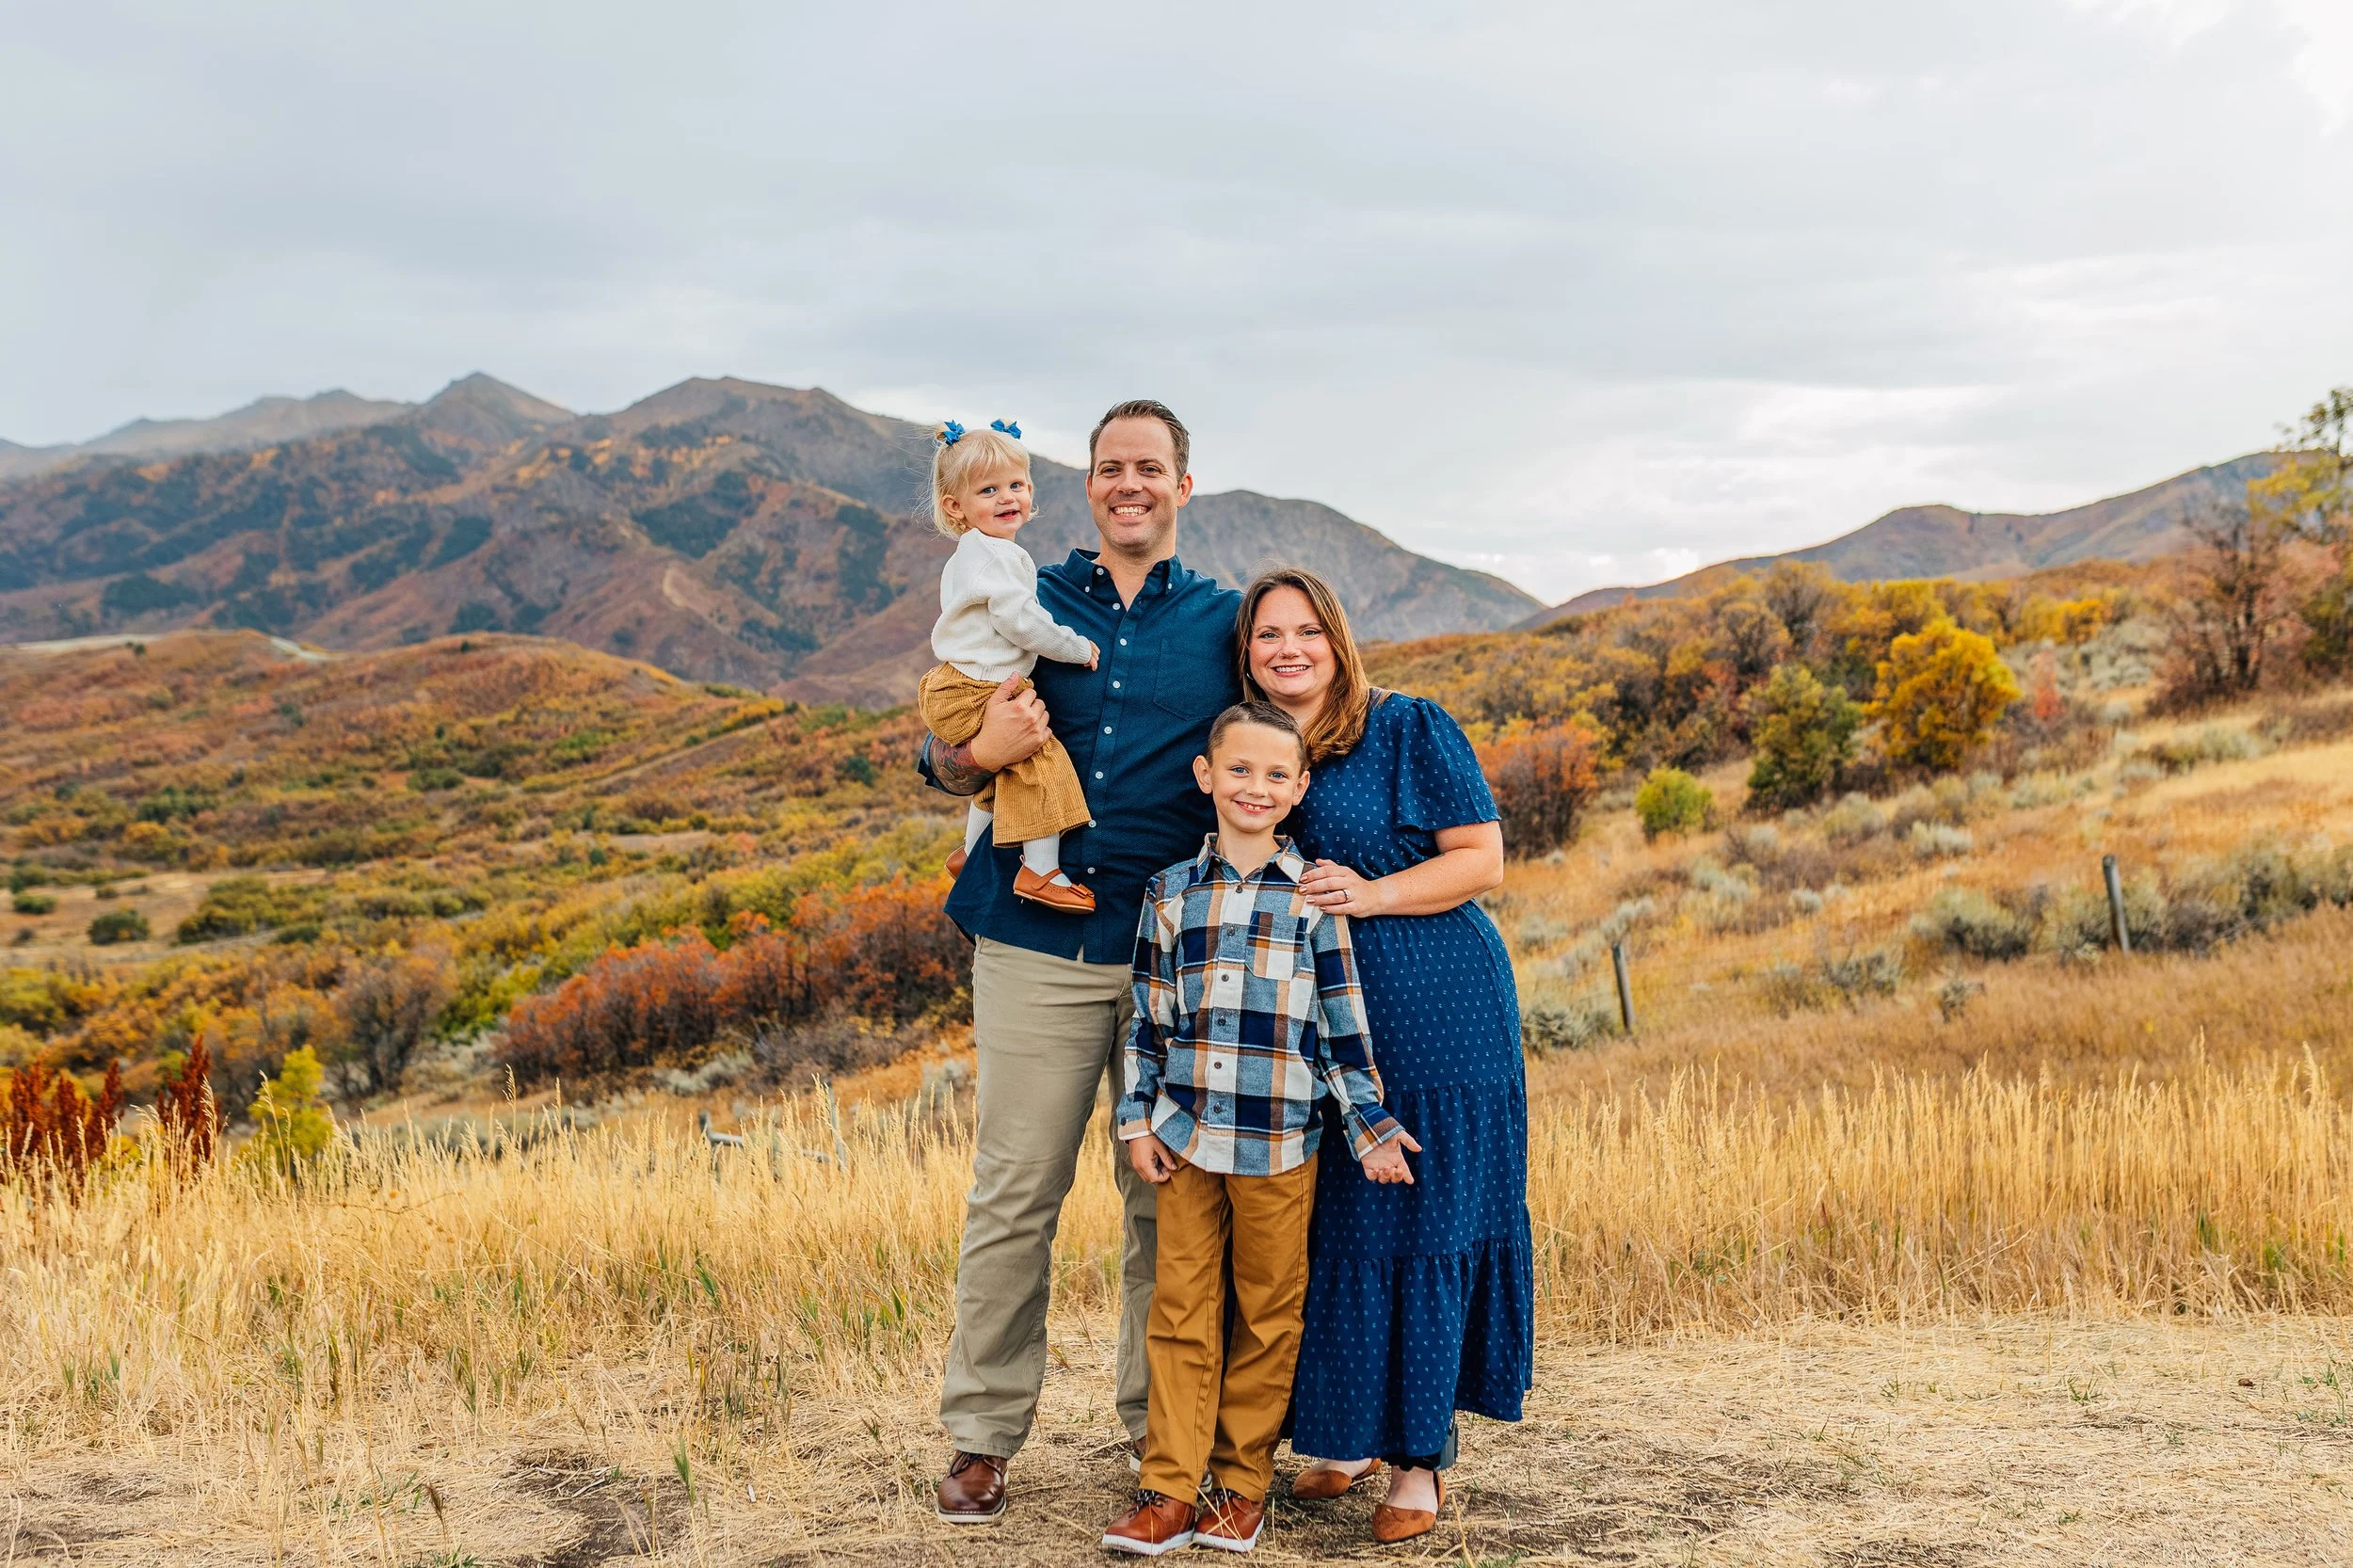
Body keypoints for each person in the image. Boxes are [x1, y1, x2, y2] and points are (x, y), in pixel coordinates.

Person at [921, 400, 1243, 1524]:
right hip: (1033, 938)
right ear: (1090, 484)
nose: (1129, 485)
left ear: (1182, 485)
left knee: (1165, 1202)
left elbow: (1292, 730)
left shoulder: (1224, 621)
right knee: (1016, 1191)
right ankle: (981, 1434)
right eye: (1111, 468)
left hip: (1173, 955)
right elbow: (944, 728)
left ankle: (1159, 1437)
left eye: (1150, 468)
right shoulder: (1021, 587)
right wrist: (968, 754)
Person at [1239, 567, 1531, 1546]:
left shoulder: (1407, 726)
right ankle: (1350, 1436)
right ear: (1246, 652)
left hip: (1435, 1003)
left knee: (1424, 1211)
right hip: (1319, 1020)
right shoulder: (1259, 747)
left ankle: (1418, 1459)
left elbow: (1480, 858)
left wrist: (1369, 894)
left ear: (1337, 637)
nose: (1288, 649)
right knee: (1341, 1219)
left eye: (1305, 631)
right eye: (1267, 634)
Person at [1101, 701, 1418, 1557]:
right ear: (1206, 776)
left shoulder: (1316, 900)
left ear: (1299, 789)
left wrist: (1372, 1126)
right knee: (1180, 1309)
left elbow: (1342, 1034)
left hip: (1281, 1146)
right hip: (1188, 1138)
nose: (1256, 786)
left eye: (1277, 774)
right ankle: (1167, 1489)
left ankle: (1239, 1488)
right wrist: (1140, 1121)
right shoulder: (1169, 895)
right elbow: (1146, 1024)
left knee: (1269, 1312)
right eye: (1239, 769)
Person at [914, 417, 1099, 913]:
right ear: (956, 507)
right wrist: (1076, 647)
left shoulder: (975, 554)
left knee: (1003, 773)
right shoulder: (996, 557)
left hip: (955, 683)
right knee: (1040, 760)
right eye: (988, 490)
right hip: (978, 687)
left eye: (1015, 485)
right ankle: (1041, 872)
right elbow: (1020, 621)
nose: (1006, 497)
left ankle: (971, 854)